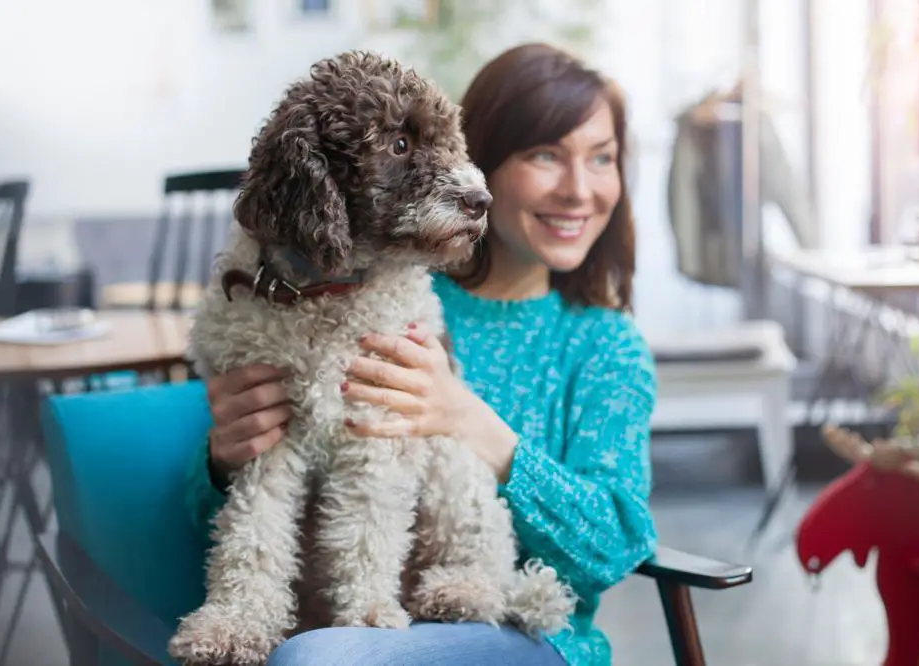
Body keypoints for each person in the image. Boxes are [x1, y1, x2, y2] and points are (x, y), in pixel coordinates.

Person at [189, 42, 659, 666]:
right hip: (329, 619)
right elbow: (211, 518)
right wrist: (223, 459)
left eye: (602, 158)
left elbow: (615, 547)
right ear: (480, 156)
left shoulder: (606, 348)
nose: (578, 190)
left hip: (529, 639)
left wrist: (470, 421)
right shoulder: (361, 287)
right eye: (546, 155)